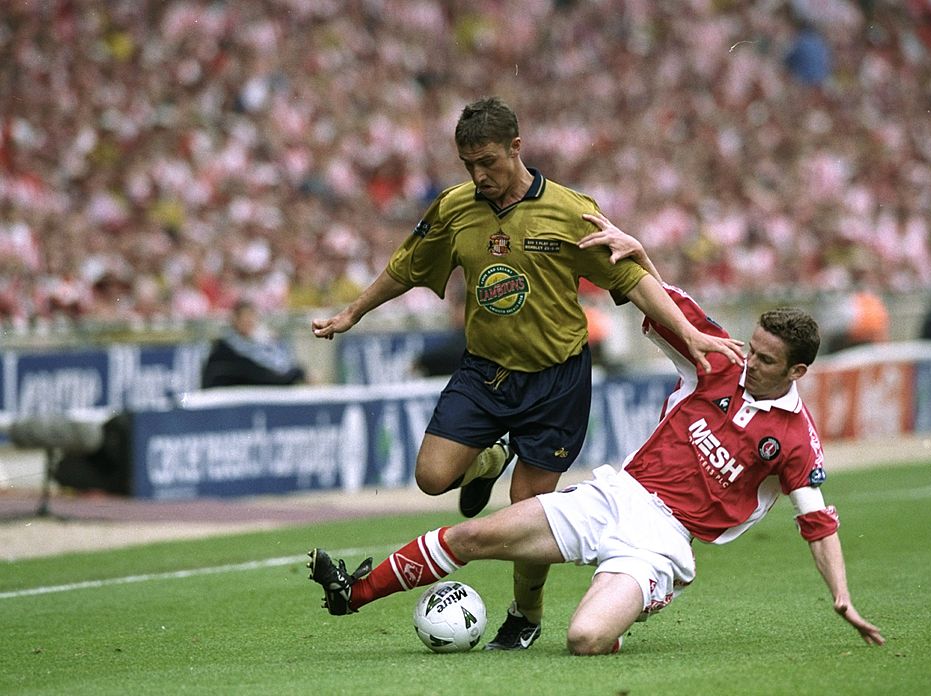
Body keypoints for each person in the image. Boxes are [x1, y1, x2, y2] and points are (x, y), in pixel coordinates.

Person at [305, 220, 886, 655]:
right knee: (470, 536)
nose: (749, 360)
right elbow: (663, 304)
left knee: (584, 639)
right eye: (752, 347)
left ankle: (631, 603)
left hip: (661, 543)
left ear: (797, 372)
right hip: (616, 495)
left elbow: (817, 523)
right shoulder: (718, 361)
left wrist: (842, 595)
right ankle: (350, 595)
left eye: (765, 359)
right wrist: (642, 255)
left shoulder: (795, 440)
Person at [310, 96, 745, 649]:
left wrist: (691, 335)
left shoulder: (569, 211)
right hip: (485, 372)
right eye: (468, 164)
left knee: (527, 515)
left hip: (556, 381)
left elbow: (632, 280)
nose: (478, 175)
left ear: (517, 148)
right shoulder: (454, 208)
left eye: (487, 161)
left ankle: (525, 615)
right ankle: (489, 458)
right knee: (431, 477)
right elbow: (406, 266)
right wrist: (354, 311)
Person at [201, 300, 307, 388]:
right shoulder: (225, 349)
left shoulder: (261, 344)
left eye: (251, 317)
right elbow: (260, 375)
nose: (249, 321)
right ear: (235, 320)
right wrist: (296, 374)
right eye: (245, 318)